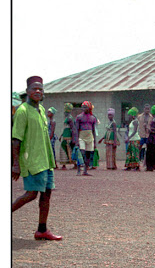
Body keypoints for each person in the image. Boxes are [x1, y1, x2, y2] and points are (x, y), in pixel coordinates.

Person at [11, 76, 62, 240]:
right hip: (32, 160)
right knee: (32, 194)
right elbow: (15, 139)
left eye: (40, 88)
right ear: (27, 91)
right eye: (34, 88)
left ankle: (42, 230)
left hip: (46, 160)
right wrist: (16, 164)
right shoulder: (22, 111)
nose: (38, 91)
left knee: (46, 194)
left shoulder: (41, 110)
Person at [72, 101, 97, 176]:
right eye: (82, 107)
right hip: (82, 136)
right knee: (81, 153)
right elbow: (76, 129)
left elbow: (93, 130)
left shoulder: (93, 118)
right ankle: (79, 169)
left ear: (89, 108)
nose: (83, 108)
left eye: (85, 107)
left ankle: (85, 170)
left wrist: (95, 141)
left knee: (88, 154)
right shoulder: (79, 117)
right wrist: (76, 140)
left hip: (90, 136)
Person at [58, 103, 74, 170]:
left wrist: (73, 137)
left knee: (67, 149)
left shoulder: (70, 118)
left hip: (68, 136)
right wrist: (61, 135)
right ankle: (65, 164)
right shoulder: (67, 118)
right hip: (65, 135)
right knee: (67, 150)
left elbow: (72, 128)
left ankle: (65, 164)